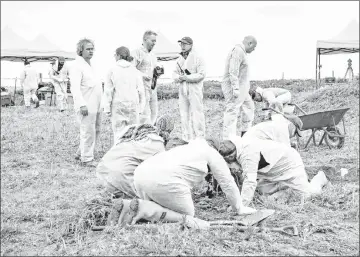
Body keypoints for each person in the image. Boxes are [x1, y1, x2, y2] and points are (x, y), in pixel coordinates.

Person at [132, 137, 256, 217]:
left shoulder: (188, 147)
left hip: (139, 175)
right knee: (187, 215)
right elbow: (227, 182)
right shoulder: (211, 153)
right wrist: (239, 207)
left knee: (164, 201)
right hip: (162, 179)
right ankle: (144, 211)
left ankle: (140, 206)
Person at [218, 136, 329, 207]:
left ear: (234, 152)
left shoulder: (247, 155)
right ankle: (284, 187)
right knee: (261, 194)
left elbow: (250, 181)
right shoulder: (234, 144)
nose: (227, 160)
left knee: (308, 195)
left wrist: (240, 207)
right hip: (270, 171)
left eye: (229, 157)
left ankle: (320, 177)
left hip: (289, 165)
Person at [96, 114, 175, 198]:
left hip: (101, 171)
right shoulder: (159, 145)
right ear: (169, 132)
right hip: (118, 179)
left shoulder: (137, 130)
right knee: (150, 199)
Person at [69, 38, 102, 167]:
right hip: (86, 105)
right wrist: (81, 104)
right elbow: (75, 88)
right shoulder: (77, 66)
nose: (91, 51)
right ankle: (87, 158)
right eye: (88, 49)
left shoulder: (91, 66)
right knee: (87, 131)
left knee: (96, 130)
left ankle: (81, 152)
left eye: (92, 49)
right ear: (80, 50)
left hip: (96, 104)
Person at [103, 46, 146, 143]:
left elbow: (108, 91)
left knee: (119, 132)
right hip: (133, 104)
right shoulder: (134, 70)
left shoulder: (112, 70)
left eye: (115, 55)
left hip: (118, 104)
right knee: (133, 132)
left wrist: (107, 108)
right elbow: (141, 91)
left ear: (118, 55)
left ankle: (119, 154)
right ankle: (131, 154)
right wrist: (141, 108)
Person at [222, 36, 257, 139]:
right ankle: (228, 141)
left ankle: (245, 135)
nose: (253, 50)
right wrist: (235, 89)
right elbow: (233, 71)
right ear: (249, 43)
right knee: (232, 112)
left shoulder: (242, 53)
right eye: (253, 47)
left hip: (243, 89)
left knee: (249, 107)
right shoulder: (237, 51)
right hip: (234, 89)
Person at [172, 36, 206, 142]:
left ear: (191, 45)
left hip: (194, 89)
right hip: (183, 89)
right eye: (181, 44)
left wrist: (187, 77)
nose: (182, 46)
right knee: (184, 114)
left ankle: (200, 137)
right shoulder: (179, 59)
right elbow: (174, 73)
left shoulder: (198, 57)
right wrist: (179, 78)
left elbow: (201, 74)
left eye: (185, 44)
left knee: (197, 113)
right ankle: (186, 138)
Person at [131, 30, 159, 125]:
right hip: (142, 87)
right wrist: (142, 75)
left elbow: (154, 69)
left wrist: (157, 72)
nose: (154, 43)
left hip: (152, 86)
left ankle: (152, 133)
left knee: (154, 111)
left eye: (155, 41)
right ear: (145, 39)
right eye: (152, 41)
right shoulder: (136, 52)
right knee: (144, 112)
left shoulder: (153, 55)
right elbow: (131, 68)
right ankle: (144, 135)